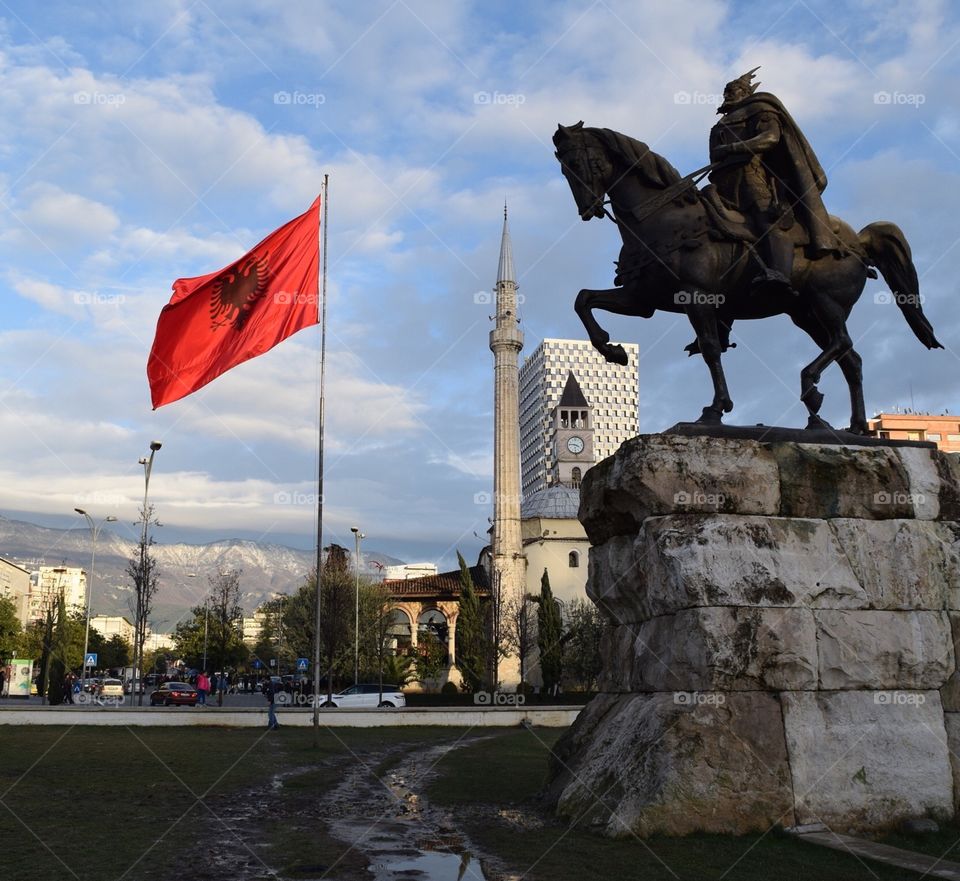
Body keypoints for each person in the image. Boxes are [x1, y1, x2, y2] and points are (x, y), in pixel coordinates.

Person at [708, 67, 842, 298]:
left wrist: (732, 148)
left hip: (752, 178)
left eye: (734, 90)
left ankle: (779, 273)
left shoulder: (759, 109)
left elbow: (770, 138)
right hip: (722, 181)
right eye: (726, 91)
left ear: (746, 92)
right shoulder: (721, 123)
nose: (728, 94)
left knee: (766, 220)